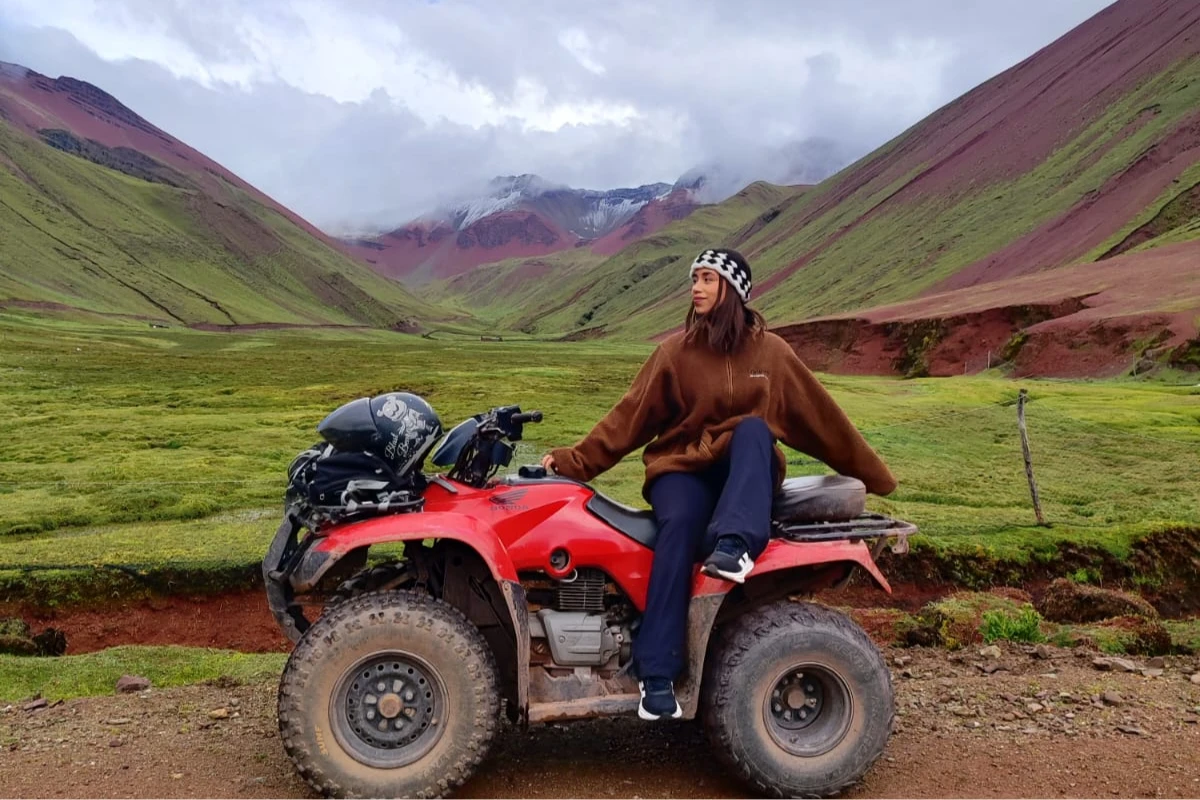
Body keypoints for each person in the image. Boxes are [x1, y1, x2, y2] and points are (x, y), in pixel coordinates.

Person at [541, 247, 897, 721]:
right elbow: (629, 418)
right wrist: (574, 462)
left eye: (707, 279)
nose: (696, 288)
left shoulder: (773, 354)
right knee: (678, 526)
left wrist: (874, 476)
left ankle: (736, 544)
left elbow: (823, 419)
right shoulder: (675, 353)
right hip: (682, 469)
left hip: (744, 475)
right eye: (695, 279)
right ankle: (657, 675)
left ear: (732, 289)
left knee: (754, 431)